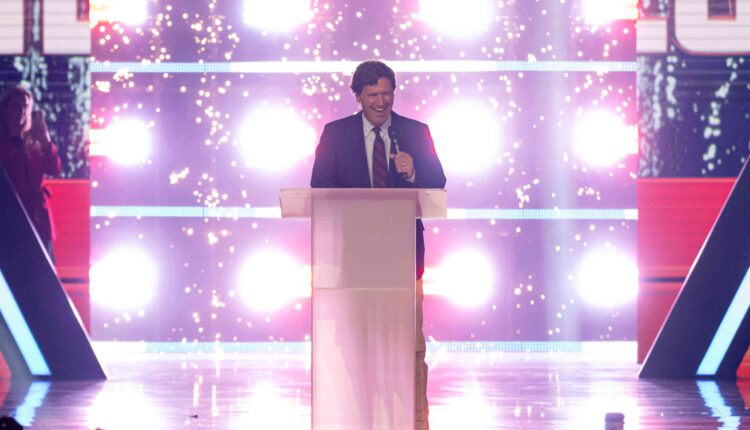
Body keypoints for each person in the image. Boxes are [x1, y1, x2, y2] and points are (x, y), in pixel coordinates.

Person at [311, 60, 446, 430]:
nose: (381, 102)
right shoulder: (336, 134)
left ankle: (415, 422)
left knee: (409, 348)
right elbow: (320, 186)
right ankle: (363, 420)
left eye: (387, 93)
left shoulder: (415, 132)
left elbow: (437, 184)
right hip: (356, 259)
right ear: (357, 96)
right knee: (358, 347)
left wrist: (413, 171)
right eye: (372, 95)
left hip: (403, 260)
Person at [0, 86, 61, 261]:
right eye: (16, 106)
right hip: (8, 219)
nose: (21, 111)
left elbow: (54, 169)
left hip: (37, 219)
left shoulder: (34, 141)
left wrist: (45, 138)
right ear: (4, 108)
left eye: (25, 106)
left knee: (42, 270)